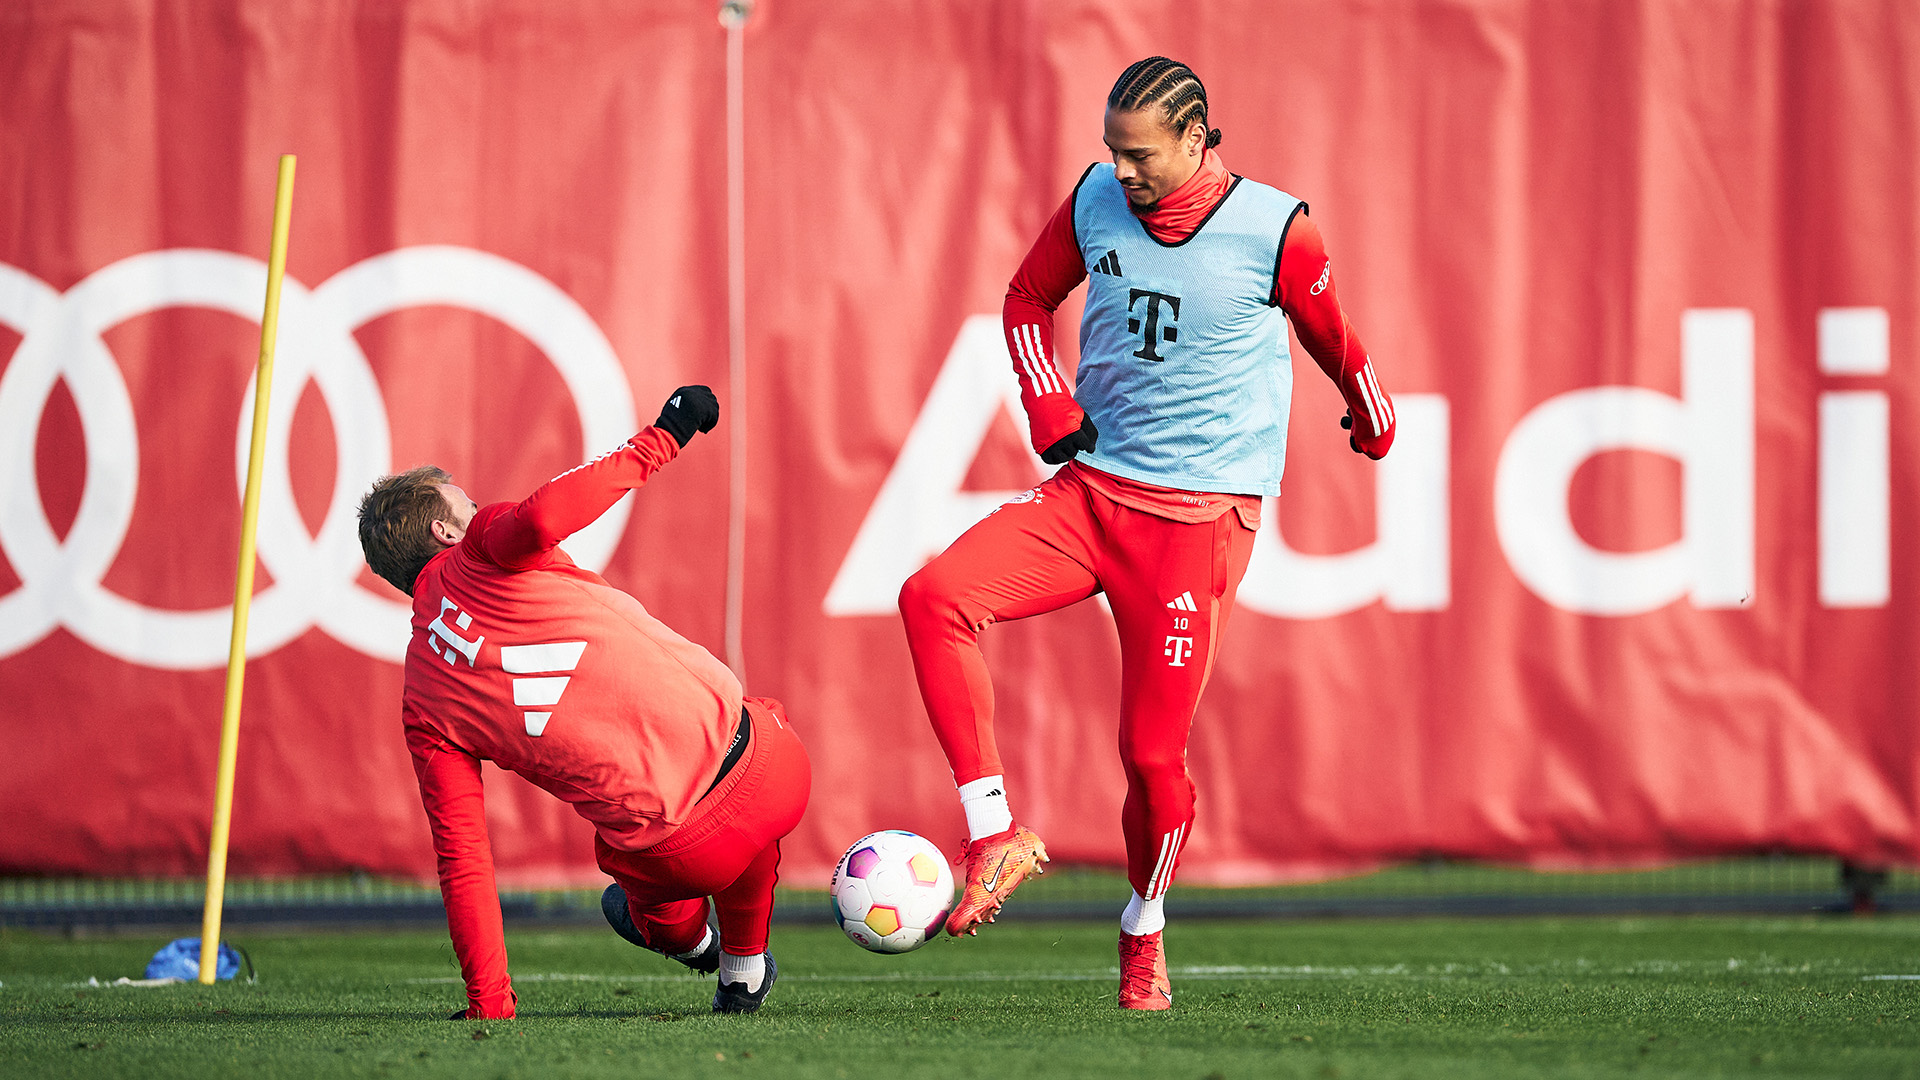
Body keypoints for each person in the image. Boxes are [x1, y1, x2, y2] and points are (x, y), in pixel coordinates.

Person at [897, 57, 1397, 1011]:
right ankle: (994, 833)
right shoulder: (1094, 198)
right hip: (1090, 496)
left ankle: (1142, 929)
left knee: (1151, 759)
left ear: (1200, 139)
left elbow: (1333, 335)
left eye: (1141, 155)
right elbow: (1023, 299)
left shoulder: (1276, 229)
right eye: (1111, 152)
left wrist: (1368, 412)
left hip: (1196, 525)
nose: (1122, 173)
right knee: (934, 598)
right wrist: (1047, 403)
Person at [356, 386, 810, 1018]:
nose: (483, 507)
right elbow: (543, 518)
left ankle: (695, 942)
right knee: (751, 756)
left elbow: (464, 859)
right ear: (445, 528)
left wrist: (491, 1002)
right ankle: (743, 967)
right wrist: (663, 436)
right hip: (776, 769)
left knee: (652, 883)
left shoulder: (423, 700)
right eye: (471, 503)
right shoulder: (481, 547)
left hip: (679, 856)